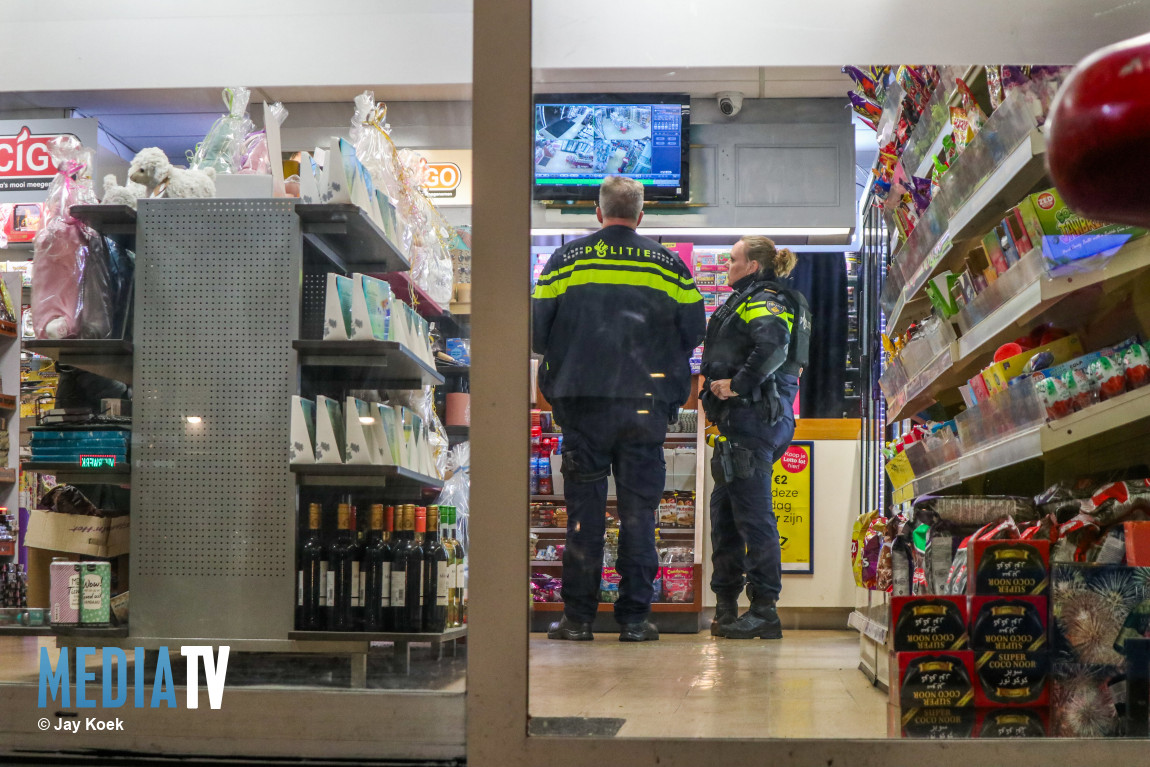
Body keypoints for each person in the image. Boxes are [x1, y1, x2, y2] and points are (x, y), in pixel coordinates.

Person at [532, 176, 706, 642]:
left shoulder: (565, 259)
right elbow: (694, 330)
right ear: (642, 215)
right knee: (638, 515)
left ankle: (577, 619)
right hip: (644, 408)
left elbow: (536, 330)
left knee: (583, 515)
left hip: (582, 405)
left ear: (597, 211)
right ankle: (634, 620)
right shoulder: (669, 265)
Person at [700, 236, 810, 640]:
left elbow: (773, 346)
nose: (727, 265)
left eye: (732, 260)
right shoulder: (753, 297)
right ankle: (726, 606)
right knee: (726, 518)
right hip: (739, 426)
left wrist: (738, 386)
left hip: (754, 420)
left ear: (751, 266)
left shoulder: (764, 297)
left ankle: (765, 610)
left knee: (754, 517)